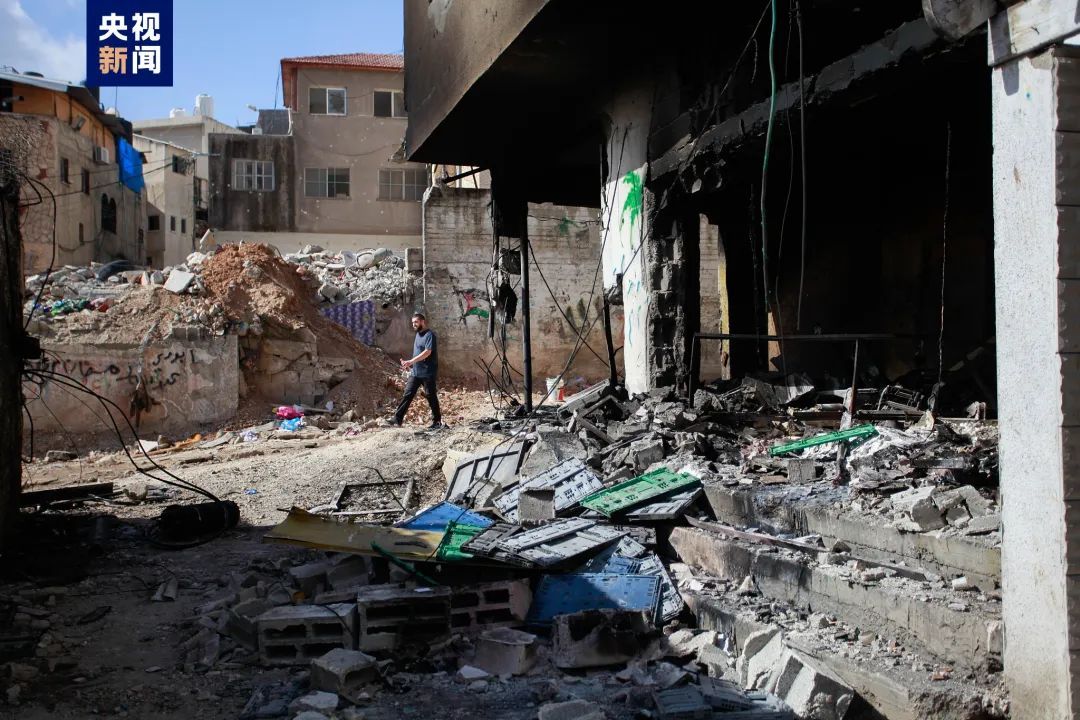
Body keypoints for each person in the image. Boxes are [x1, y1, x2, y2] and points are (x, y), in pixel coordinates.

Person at [390, 312, 443, 428]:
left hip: (428, 372)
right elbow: (418, 353)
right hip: (416, 372)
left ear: (422, 322)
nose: (414, 324)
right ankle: (397, 419)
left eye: (416, 322)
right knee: (407, 394)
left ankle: (437, 422)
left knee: (431, 396)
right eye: (413, 322)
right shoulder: (418, 335)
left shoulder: (430, 335)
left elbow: (427, 352)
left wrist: (411, 361)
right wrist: (409, 364)